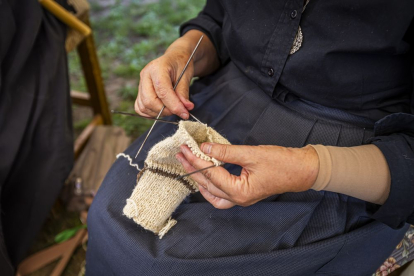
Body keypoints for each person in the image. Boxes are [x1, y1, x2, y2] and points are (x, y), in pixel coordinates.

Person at [86, 1, 414, 274]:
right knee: (111, 220)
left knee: (171, 267)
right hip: (225, 96)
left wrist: (311, 169)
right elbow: (219, 17)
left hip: (351, 160)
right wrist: (185, 52)